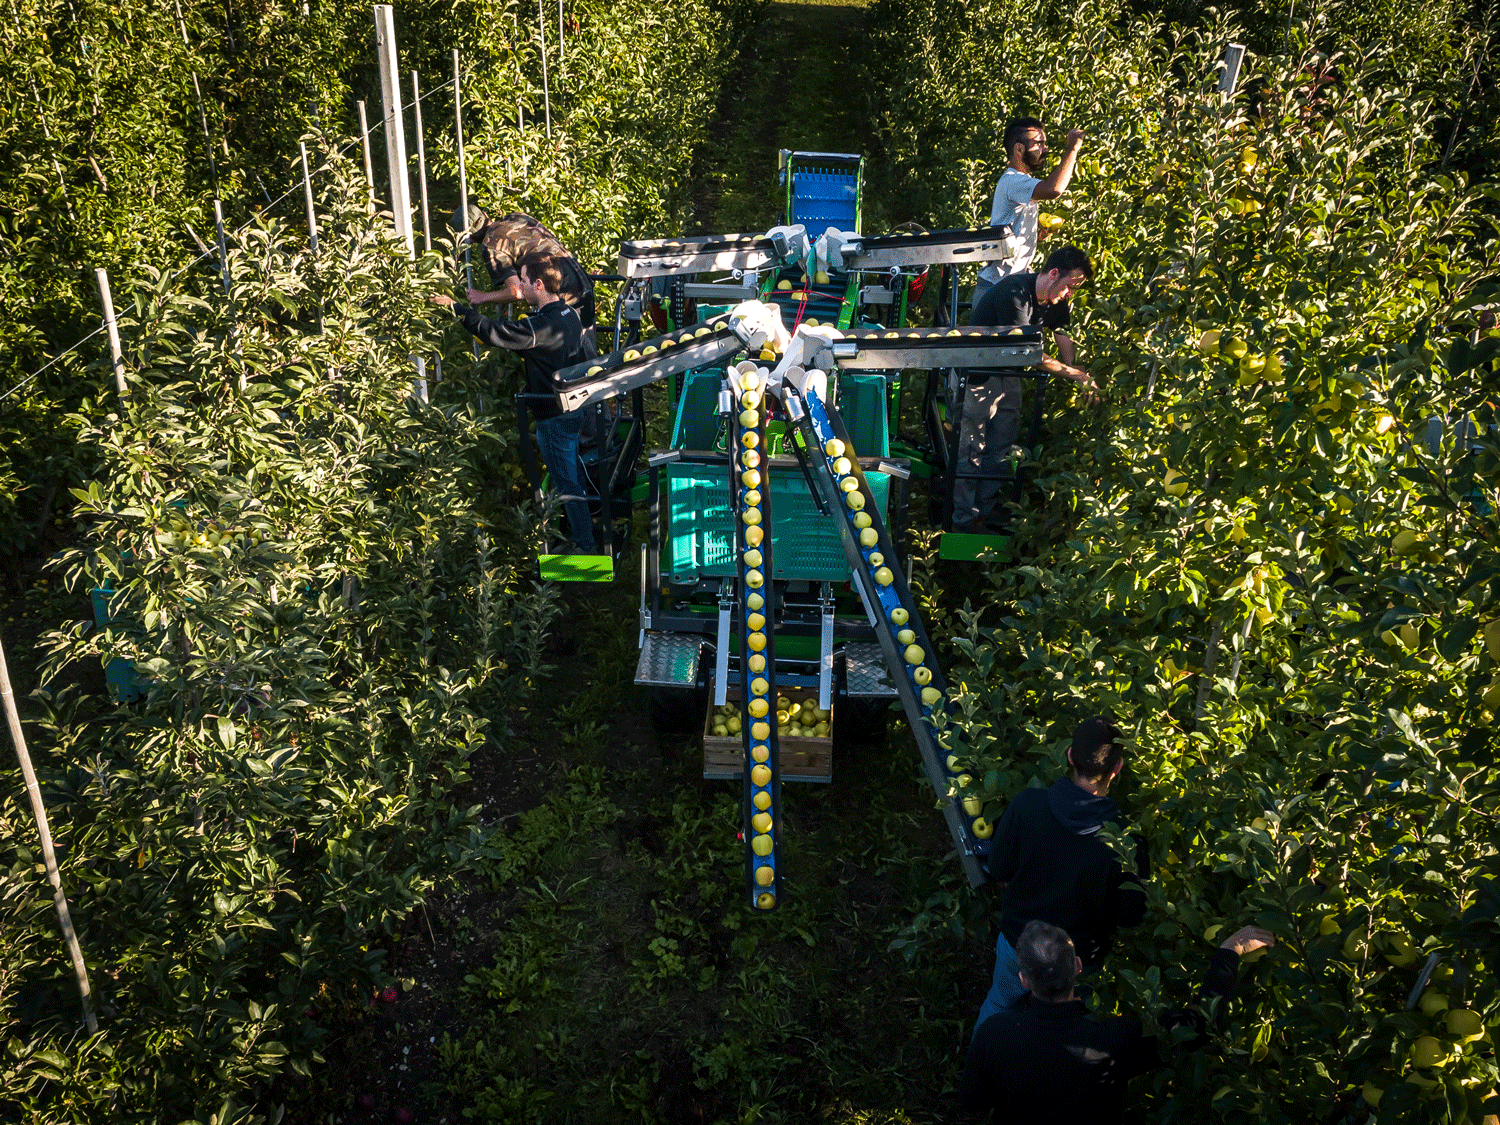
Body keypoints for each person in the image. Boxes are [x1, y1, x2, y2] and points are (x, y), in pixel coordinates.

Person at [958, 919, 1276, 1121]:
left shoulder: (994, 1034)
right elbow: (1197, 1026)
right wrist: (1229, 952)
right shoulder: (1114, 1039)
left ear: (1024, 980)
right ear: (1079, 966)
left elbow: (973, 1101)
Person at [973, 715, 1146, 1027]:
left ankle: (983, 1066)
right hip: (1076, 963)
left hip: (1019, 943)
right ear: (1117, 768)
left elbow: (997, 867)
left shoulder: (1028, 805)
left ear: (1069, 755)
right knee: (1061, 1034)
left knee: (1000, 1007)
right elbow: (1130, 916)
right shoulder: (1125, 843)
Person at [430, 251, 598, 553]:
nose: (517, 287)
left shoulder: (543, 326)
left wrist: (458, 309)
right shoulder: (567, 315)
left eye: (521, 280)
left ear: (538, 284)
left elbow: (500, 333)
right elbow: (539, 350)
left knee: (566, 483)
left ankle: (584, 548)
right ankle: (581, 538)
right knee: (570, 477)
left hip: (554, 415)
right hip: (571, 410)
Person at [953, 244, 1097, 532]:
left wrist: (1078, 367)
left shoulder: (1055, 300)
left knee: (1001, 447)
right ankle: (963, 520)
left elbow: (1062, 334)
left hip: (1010, 377)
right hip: (980, 376)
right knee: (971, 450)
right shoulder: (1016, 293)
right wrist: (1075, 376)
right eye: (1069, 286)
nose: (1070, 294)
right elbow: (1027, 353)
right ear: (1054, 274)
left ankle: (986, 511)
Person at [973, 116, 1086, 305]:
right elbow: (1054, 189)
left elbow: (1010, 231)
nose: (1045, 149)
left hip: (1008, 285)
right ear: (1019, 149)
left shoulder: (1020, 183)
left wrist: (1037, 235)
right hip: (998, 289)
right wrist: (1072, 149)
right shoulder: (1013, 180)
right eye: (1038, 144)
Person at [451, 205, 597, 346]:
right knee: (588, 357)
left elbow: (516, 292)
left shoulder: (490, 245)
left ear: (468, 238)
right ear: (484, 214)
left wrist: (482, 297)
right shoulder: (516, 216)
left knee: (571, 360)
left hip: (563, 296)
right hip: (581, 280)